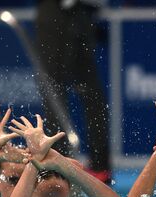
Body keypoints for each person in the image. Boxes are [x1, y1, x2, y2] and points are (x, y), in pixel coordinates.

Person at [35, 0, 111, 183]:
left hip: (77, 15)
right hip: (64, 14)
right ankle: (62, 164)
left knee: (69, 92)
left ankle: (73, 166)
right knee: (57, 92)